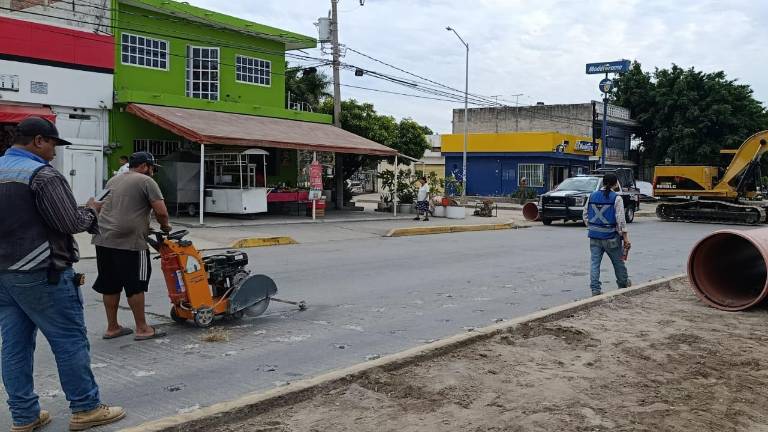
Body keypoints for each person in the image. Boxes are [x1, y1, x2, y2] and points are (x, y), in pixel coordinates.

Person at [0, 117, 126, 431]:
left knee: (14, 346)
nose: (55, 153)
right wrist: (91, 210)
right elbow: (69, 223)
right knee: (69, 340)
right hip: (43, 271)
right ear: (39, 140)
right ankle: (86, 408)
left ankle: (24, 415)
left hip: (4, 275)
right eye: (54, 144)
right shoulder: (42, 176)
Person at [92, 151, 171, 341]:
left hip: (103, 239)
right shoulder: (146, 181)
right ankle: (143, 328)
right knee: (135, 285)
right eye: (152, 168)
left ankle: (112, 328)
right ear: (144, 166)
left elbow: (100, 205)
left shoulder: (113, 180)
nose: (153, 172)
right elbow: (161, 211)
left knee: (109, 284)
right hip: (131, 241)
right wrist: (165, 227)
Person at [583, 173, 632, 296]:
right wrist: (625, 238)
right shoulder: (616, 198)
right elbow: (620, 219)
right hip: (611, 237)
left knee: (594, 263)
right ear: (615, 184)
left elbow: (585, 215)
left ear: (603, 182)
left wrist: (592, 227)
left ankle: (595, 289)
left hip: (594, 236)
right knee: (618, 262)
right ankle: (623, 283)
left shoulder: (592, 196)